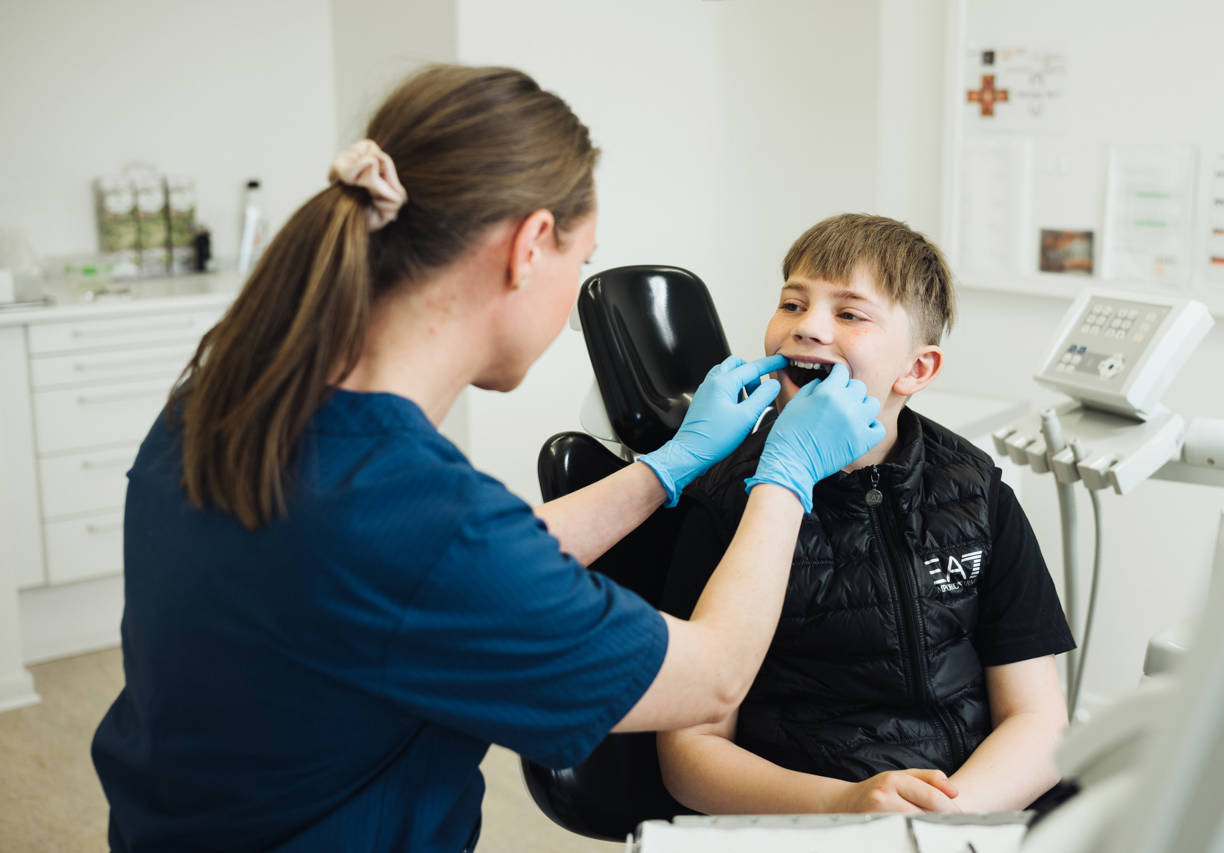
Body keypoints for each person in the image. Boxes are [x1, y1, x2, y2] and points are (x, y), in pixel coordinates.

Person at [89, 66, 887, 852]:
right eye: (582, 261)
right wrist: (786, 472)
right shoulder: (418, 519)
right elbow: (713, 677)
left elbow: (440, 571)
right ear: (530, 245)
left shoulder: (219, 404)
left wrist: (667, 466)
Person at [657, 213, 1075, 816]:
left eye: (850, 314)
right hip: (814, 811)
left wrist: (948, 818)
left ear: (916, 369)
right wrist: (850, 805)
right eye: (792, 304)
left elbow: (1038, 719)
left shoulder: (975, 489)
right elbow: (689, 755)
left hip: (976, 803)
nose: (808, 327)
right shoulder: (726, 499)